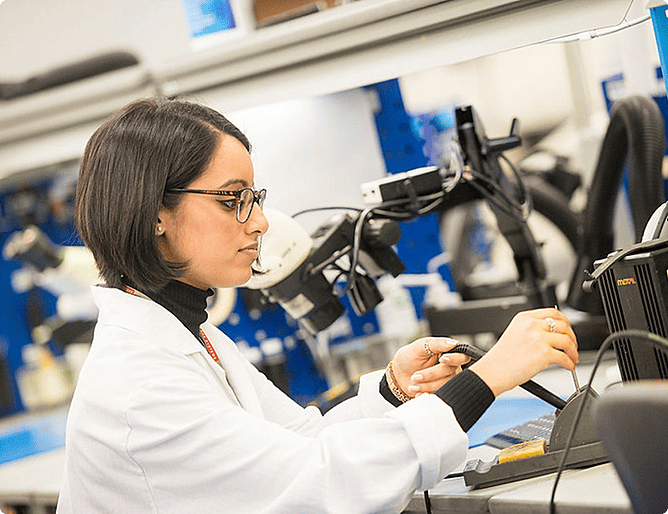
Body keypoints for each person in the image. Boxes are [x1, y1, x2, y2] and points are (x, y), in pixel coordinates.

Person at [56, 97, 579, 514]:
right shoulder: (140, 386)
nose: (259, 221)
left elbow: (299, 441)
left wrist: (395, 391)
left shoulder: (195, 337)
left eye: (254, 197)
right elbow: (321, 485)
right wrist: (486, 379)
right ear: (155, 215)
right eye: (232, 199)